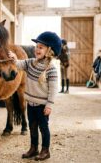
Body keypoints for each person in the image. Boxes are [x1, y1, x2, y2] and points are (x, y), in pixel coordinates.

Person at [9, 31, 61, 161]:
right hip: (31, 104)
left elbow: (54, 89)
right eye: (36, 46)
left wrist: (49, 105)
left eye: (41, 47)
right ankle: (33, 148)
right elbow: (19, 64)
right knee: (32, 126)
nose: (37, 49)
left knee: (43, 128)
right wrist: (14, 58)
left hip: (42, 105)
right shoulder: (31, 62)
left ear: (49, 51)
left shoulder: (51, 69)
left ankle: (45, 150)